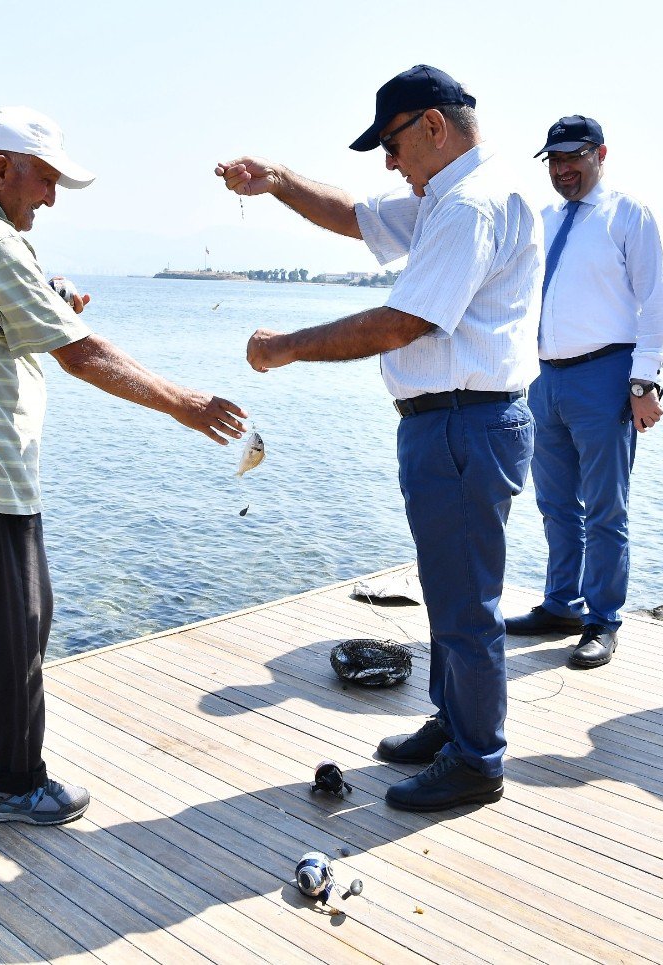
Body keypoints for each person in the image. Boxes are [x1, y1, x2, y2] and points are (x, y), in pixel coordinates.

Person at [0, 106, 246, 826]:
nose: (49, 197)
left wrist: (51, 306)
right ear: (0, 169)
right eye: (44, 179)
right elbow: (82, 355)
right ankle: (8, 781)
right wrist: (184, 401)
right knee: (18, 622)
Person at [216, 65, 541, 811]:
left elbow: (405, 321)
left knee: (467, 603)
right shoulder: (445, 195)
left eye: (392, 145)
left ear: (433, 124)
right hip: (452, 423)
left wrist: (287, 345)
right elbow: (358, 214)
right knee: (448, 590)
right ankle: (453, 722)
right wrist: (278, 179)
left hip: (463, 422)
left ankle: (476, 760)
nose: (388, 164)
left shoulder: (469, 206)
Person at [504, 116, 663, 669]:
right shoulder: (546, 219)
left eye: (573, 157)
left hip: (606, 377)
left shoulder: (629, 214)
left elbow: (658, 304)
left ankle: (602, 620)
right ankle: (562, 605)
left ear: (601, 153)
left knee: (606, 508)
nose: (563, 169)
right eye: (554, 160)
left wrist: (644, 381)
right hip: (543, 378)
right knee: (555, 503)